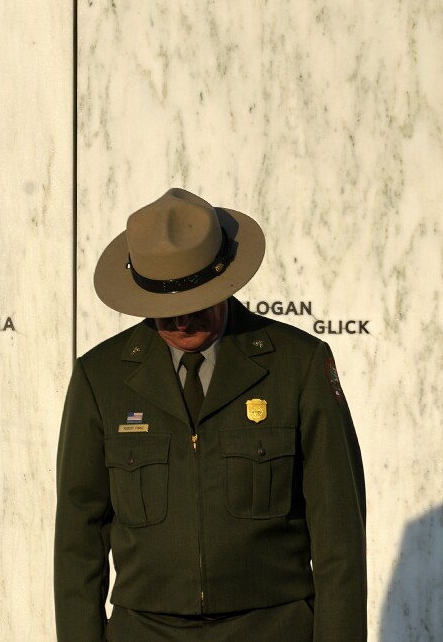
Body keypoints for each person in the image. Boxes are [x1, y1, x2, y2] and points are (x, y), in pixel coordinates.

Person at [54, 188, 367, 642]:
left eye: (193, 304)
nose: (181, 323)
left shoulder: (297, 365)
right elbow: (78, 538)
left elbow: (339, 533)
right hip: (145, 631)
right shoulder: (99, 378)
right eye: (164, 310)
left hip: (274, 628)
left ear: (225, 282)